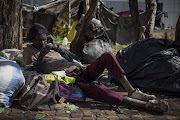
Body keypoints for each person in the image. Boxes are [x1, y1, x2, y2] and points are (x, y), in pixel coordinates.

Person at [23, 23, 169, 113]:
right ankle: (144, 105)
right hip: (68, 80)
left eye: (44, 39)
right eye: (39, 39)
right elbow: (32, 72)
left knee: (108, 56)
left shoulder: (51, 47)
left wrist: (56, 47)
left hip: (79, 71)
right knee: (97, 90)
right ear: (32, 39)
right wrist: (41, 55)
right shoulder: (29, 51)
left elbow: (73, 57)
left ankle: (132, 91)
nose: (42, 42)